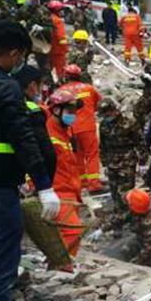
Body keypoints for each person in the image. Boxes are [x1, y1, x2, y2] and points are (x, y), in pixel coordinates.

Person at [0, 21, 61, 301]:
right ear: (16, 53)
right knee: (0, 264)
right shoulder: (5, 89)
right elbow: (24, 140)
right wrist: (44, 185)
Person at [45, 89, 85, 261]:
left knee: (68, 234)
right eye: (70, 111)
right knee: (73, 231)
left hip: (70, 192)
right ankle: (60, 267)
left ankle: (62, 266)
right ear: (56, 110)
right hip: (58, 192)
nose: (73, 116)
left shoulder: (65, 133)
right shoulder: (48, 134)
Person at [61, 64, 103, 191]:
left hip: (71, 127)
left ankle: (83, 182)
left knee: (77, 155)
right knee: (91, 154)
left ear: (66, 76)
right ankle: (94, 184)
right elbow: (98, 104)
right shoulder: (89, 88)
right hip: (87, 126)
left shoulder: (62, 91)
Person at [14, 65, 56, 179]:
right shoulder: (32, 110)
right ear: (33, 86)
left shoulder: (7, 103)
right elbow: (45, 149)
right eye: (40, 84)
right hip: (28, 174)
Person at [98, 98, 141, 210]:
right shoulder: (104, 125)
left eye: (108, 113)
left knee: (126, 192)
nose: (106, 117)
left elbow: (139, 141)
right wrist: (104, 161)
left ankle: (129, 215)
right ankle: (118, 213)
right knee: (114, 190)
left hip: (127, 160)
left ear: (114, 110)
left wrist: (142, 159)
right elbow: (103, 144)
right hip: (111, 160)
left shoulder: (129, 122)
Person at [124, 188, 151, 266]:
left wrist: (136, 262)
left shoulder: (149, 223)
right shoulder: (137, 211)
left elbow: (148, 248)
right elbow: (122, 218)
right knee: (127, 248)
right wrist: (103, 229)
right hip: (143, 239)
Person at [47, 0, 70, 78]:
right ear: (57, 10)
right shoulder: (58, 21)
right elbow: (61, 38)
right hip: (58, 51)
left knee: (50, 69)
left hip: (48, 49)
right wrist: (66, 49)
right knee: (59, 71)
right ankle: (57, 86)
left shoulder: (47, 18)